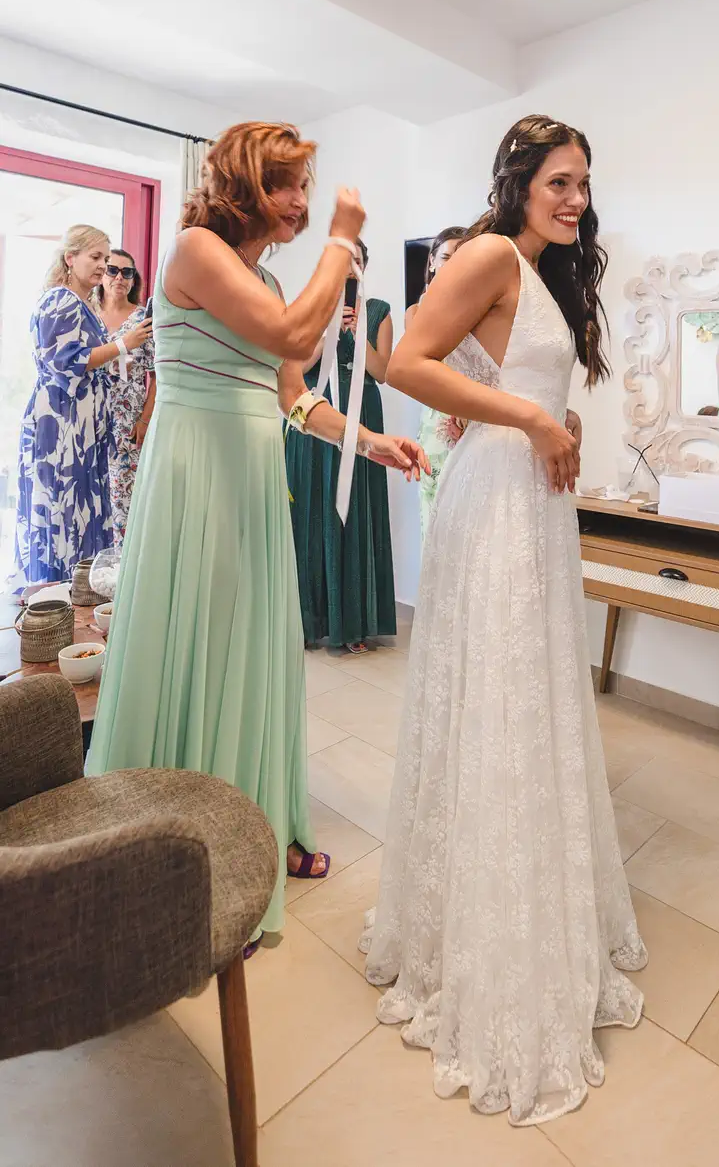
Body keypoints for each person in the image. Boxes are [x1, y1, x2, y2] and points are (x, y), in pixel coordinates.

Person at [361, 114, 646, 1125]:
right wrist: (529, 416)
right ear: (519, 180)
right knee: (501, 701)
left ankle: (528, 905)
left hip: (535, 502)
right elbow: (405, 362)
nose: (576, 199)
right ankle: (479, 937)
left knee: (531, 702)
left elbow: (501, 376)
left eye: (584, 184)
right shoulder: (486, 253)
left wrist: (550, 417)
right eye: (559, 181)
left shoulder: (543, 270)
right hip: (495, 503)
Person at [87, 122, 428, 950]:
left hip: (252, 484)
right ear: (244, 182)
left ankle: (255, 827)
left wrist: (366, 441)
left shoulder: (266, 279)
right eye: (285, 184)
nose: (300, 202)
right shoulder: (196, 249)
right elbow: (295, 338)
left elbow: (291, 392)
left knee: (254, 655)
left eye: (306, 186)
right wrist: (343, 240)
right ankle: (181, 855)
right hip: (197, 477)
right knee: (198, 649)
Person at [11, 224, 151, 593]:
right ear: (70, 258)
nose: (103, 266)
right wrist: (123, 344)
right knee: (62, 510)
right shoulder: (60, 300)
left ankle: (77, 597)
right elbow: (67, 361)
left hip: (82, 426)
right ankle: (54, 598)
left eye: (106, 258)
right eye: (96, 257)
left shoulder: (80, 303)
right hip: (62, 425)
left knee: (80, 511)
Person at [285, 240, 397, 652]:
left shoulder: (379, 311)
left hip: (362, 413)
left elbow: (383, 372)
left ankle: (354, 623)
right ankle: (308, 619)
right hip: (314, 413)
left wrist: (354, 332)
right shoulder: (307, 310)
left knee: (355, 510)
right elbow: (294, 369)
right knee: (312, 509)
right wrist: (326, 331)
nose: (350, 271)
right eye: (343, 264)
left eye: (358, 264)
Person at [403, 225, 469, 536]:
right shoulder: (416, 311)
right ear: (431, 261)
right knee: (433, 520)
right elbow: (420, 367)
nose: (452, 267)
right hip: (436, 422)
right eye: (446, 258)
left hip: (471, 418)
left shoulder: (476, 311)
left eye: (461, 260)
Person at [97, 248, 156, 547]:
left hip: (128, 422)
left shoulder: (143, 319)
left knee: (124, 501)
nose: (119, 277)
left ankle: (120, 568)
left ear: (134, 279)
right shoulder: (87, 314)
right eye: (112, 270)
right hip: (90, 416)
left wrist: (145, 419)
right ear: (101, 275)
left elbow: (159, 374)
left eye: (127, 272)